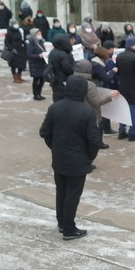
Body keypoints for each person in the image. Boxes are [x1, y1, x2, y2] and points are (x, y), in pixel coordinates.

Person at [39, 76, 101, 240]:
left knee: (61, 191)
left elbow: (44, 132)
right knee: (73, 195)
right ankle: (69, 228)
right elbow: (94, 140)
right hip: (78, 160)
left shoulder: (55, 108)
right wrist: (90, 157)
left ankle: (61, 222)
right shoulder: (86, 111)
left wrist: (54, 147)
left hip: (59, 158)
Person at [72, 59, 116, 150]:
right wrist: (110, 96)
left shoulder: (71, 80)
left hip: (77, 110)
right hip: (90, 113)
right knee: (96, 128)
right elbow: (96, 102)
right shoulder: (90, 85)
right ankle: (97, 144)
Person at [116, 37, 135, 141]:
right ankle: (132, 133)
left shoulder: (119, 56)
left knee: (123, 109)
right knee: (133, 111)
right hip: (134, 88)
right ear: (133, 46)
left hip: (123, 86)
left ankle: (121, 131)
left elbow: (118, 72)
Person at [47, 34, 76, 102]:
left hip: (55, 78)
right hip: (63, 79)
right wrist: (73, 70)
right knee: (63, 97)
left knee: (57, 96)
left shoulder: (52, 52)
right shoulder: (63, 54)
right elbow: (67, 68)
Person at [27, 28, 48, 100]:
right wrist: (38, 56)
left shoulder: (42, 41)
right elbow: (29, 54)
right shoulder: (31, 43)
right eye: (38, 34)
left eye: (40, 33)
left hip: (42, 63)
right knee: (36, 80)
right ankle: (35, 94)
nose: (40, 35)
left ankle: (39, 93)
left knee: (42, 80)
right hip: (35, 64)